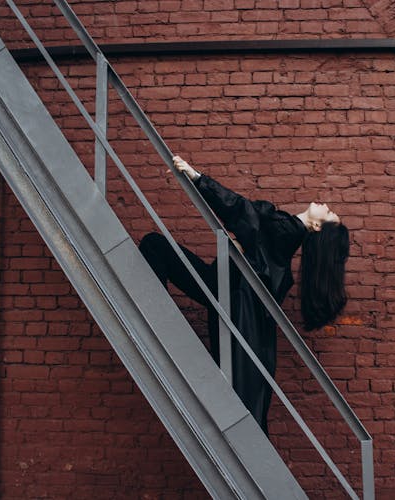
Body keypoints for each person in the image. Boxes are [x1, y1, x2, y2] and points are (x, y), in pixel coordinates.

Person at [139, 155, 350, 434]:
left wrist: (197, 178)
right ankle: (157, 320)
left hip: (227, 299)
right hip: (223, 293)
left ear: (317, 227)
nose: (326, 206)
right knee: (155, 246)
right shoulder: (283, 231)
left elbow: (241, 210)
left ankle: (156, 322)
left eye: (329, 214)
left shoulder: (285, 230)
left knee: (155, 246)